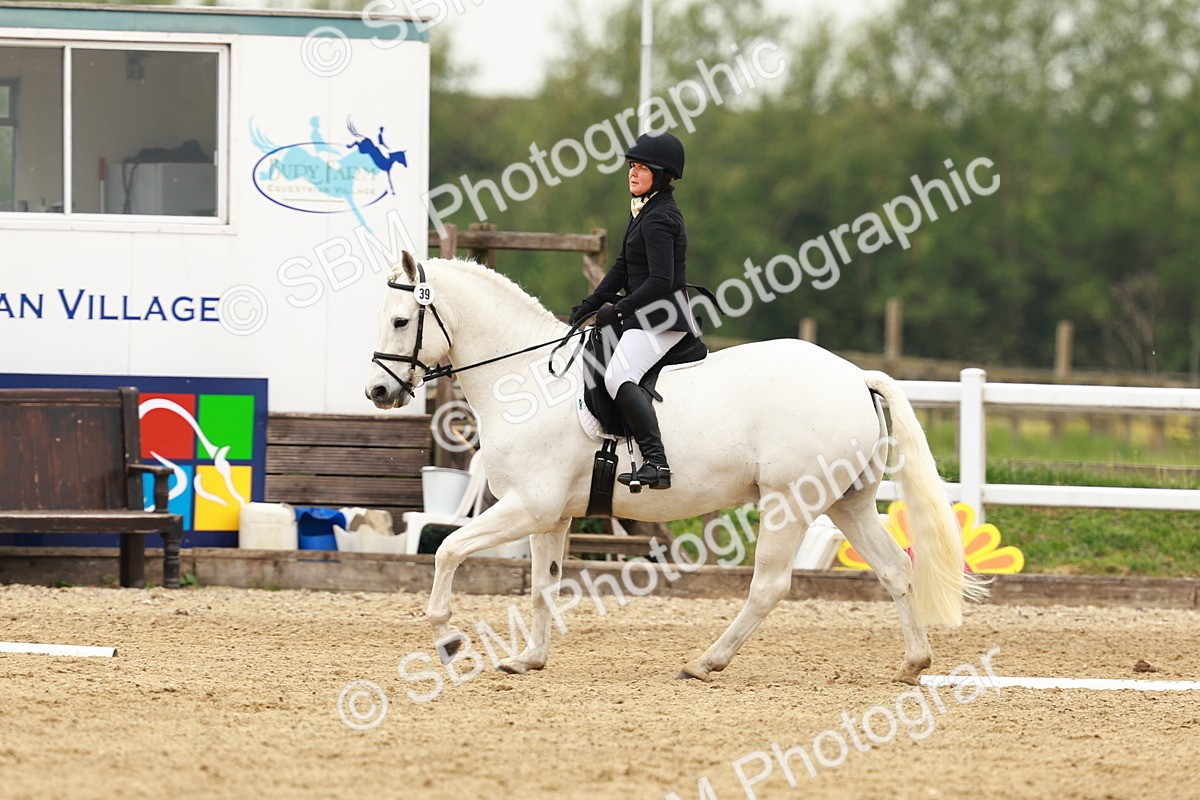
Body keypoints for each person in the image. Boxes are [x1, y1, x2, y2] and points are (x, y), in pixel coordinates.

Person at [569, 131, 698, 491]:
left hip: (663, 319)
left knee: (617, 376)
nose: (633, 173)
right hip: (647, 315)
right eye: (631, 166)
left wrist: (621, 311)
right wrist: (592, 303)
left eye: (642, 168)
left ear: (661, 175)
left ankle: (656, 462)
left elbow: (660, 280)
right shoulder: (645, 209)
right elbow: (623, 268)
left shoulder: (660, 217)